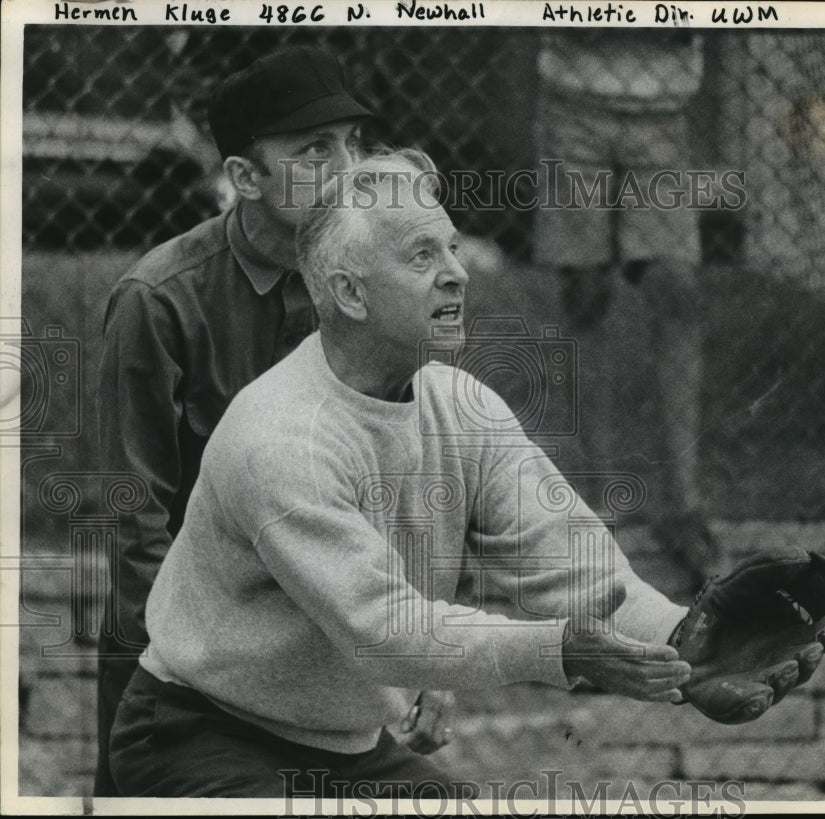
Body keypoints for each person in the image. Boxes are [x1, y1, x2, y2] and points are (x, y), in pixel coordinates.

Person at [107, 148, 697, 799]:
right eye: (422, 257)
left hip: (348, 748)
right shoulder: (278, 437)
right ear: (349, 293)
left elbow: (578, 563)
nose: (457, 275)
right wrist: (558, 648)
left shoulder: (464, 407)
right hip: (197, 737)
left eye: (452, 247)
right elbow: (386, 631)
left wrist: (695, 645)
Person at [93, 46, 375, 797]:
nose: (347, 169)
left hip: (316, 636)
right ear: (245, 179)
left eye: (353, 143)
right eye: (316, 148)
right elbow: (135, 521)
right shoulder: (158, 300)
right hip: (177, 658)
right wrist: (194, 682)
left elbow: (401, 487)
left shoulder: (372, 291)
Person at [534, 30, 717, 591]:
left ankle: (682, 509)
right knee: (586, 295)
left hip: (662, 115)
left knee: (677, 286)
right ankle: (598, 508)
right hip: (573, 106)